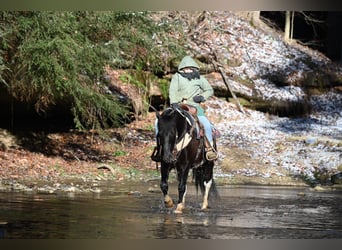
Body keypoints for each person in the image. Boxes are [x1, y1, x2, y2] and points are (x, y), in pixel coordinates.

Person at [152, 55, 217, 161]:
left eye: (190, 68)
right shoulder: (177, 77)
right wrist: (173, 102)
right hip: (176, 106)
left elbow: (209, 90)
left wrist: (202, 97)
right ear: (181, 68)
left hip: (194, 106)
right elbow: (172, 90)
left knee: (206, 125)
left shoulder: (200, 78)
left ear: (194, 68)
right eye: (185, 68)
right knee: (157, 122)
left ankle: (209, 150)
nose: (188, 70)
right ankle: (160, 148)